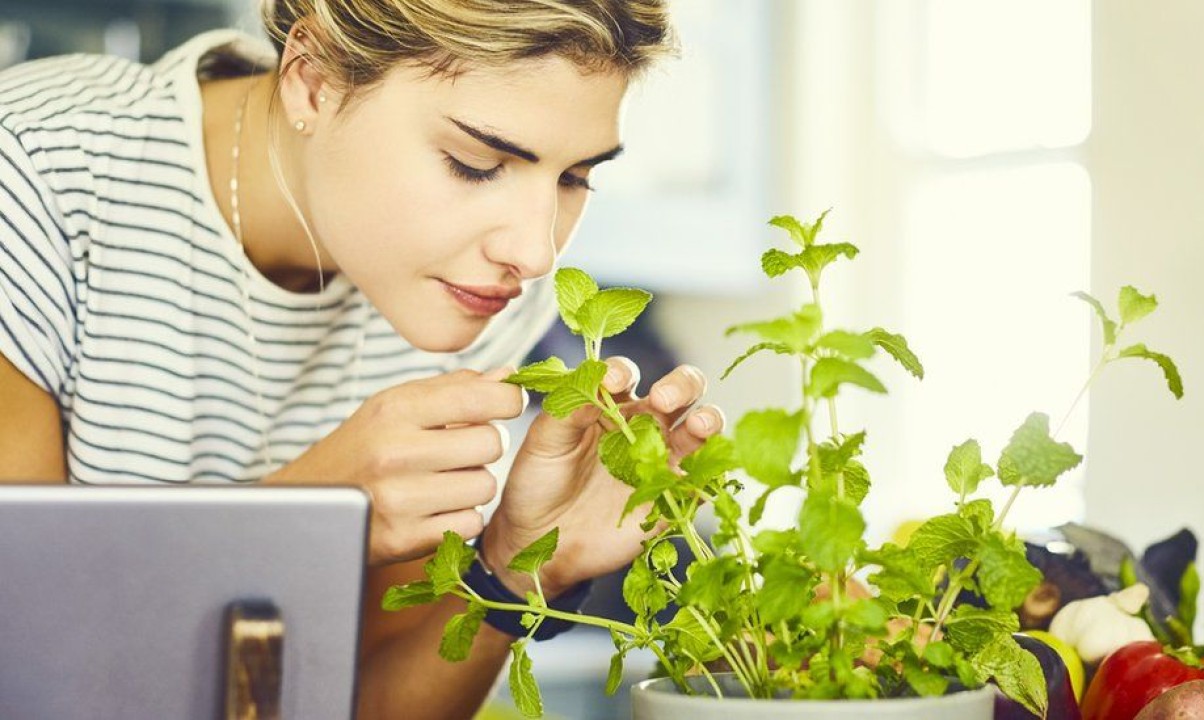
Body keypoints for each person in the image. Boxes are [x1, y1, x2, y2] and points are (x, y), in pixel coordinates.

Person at [0, 1, 724, 717]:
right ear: (312, 80)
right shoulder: (35, 177)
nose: (535, 254)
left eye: (574, 179)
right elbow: (24, 667)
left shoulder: (475, 294)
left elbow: (366, 704)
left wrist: (516, 568)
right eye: (476, 164)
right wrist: (300, 518)